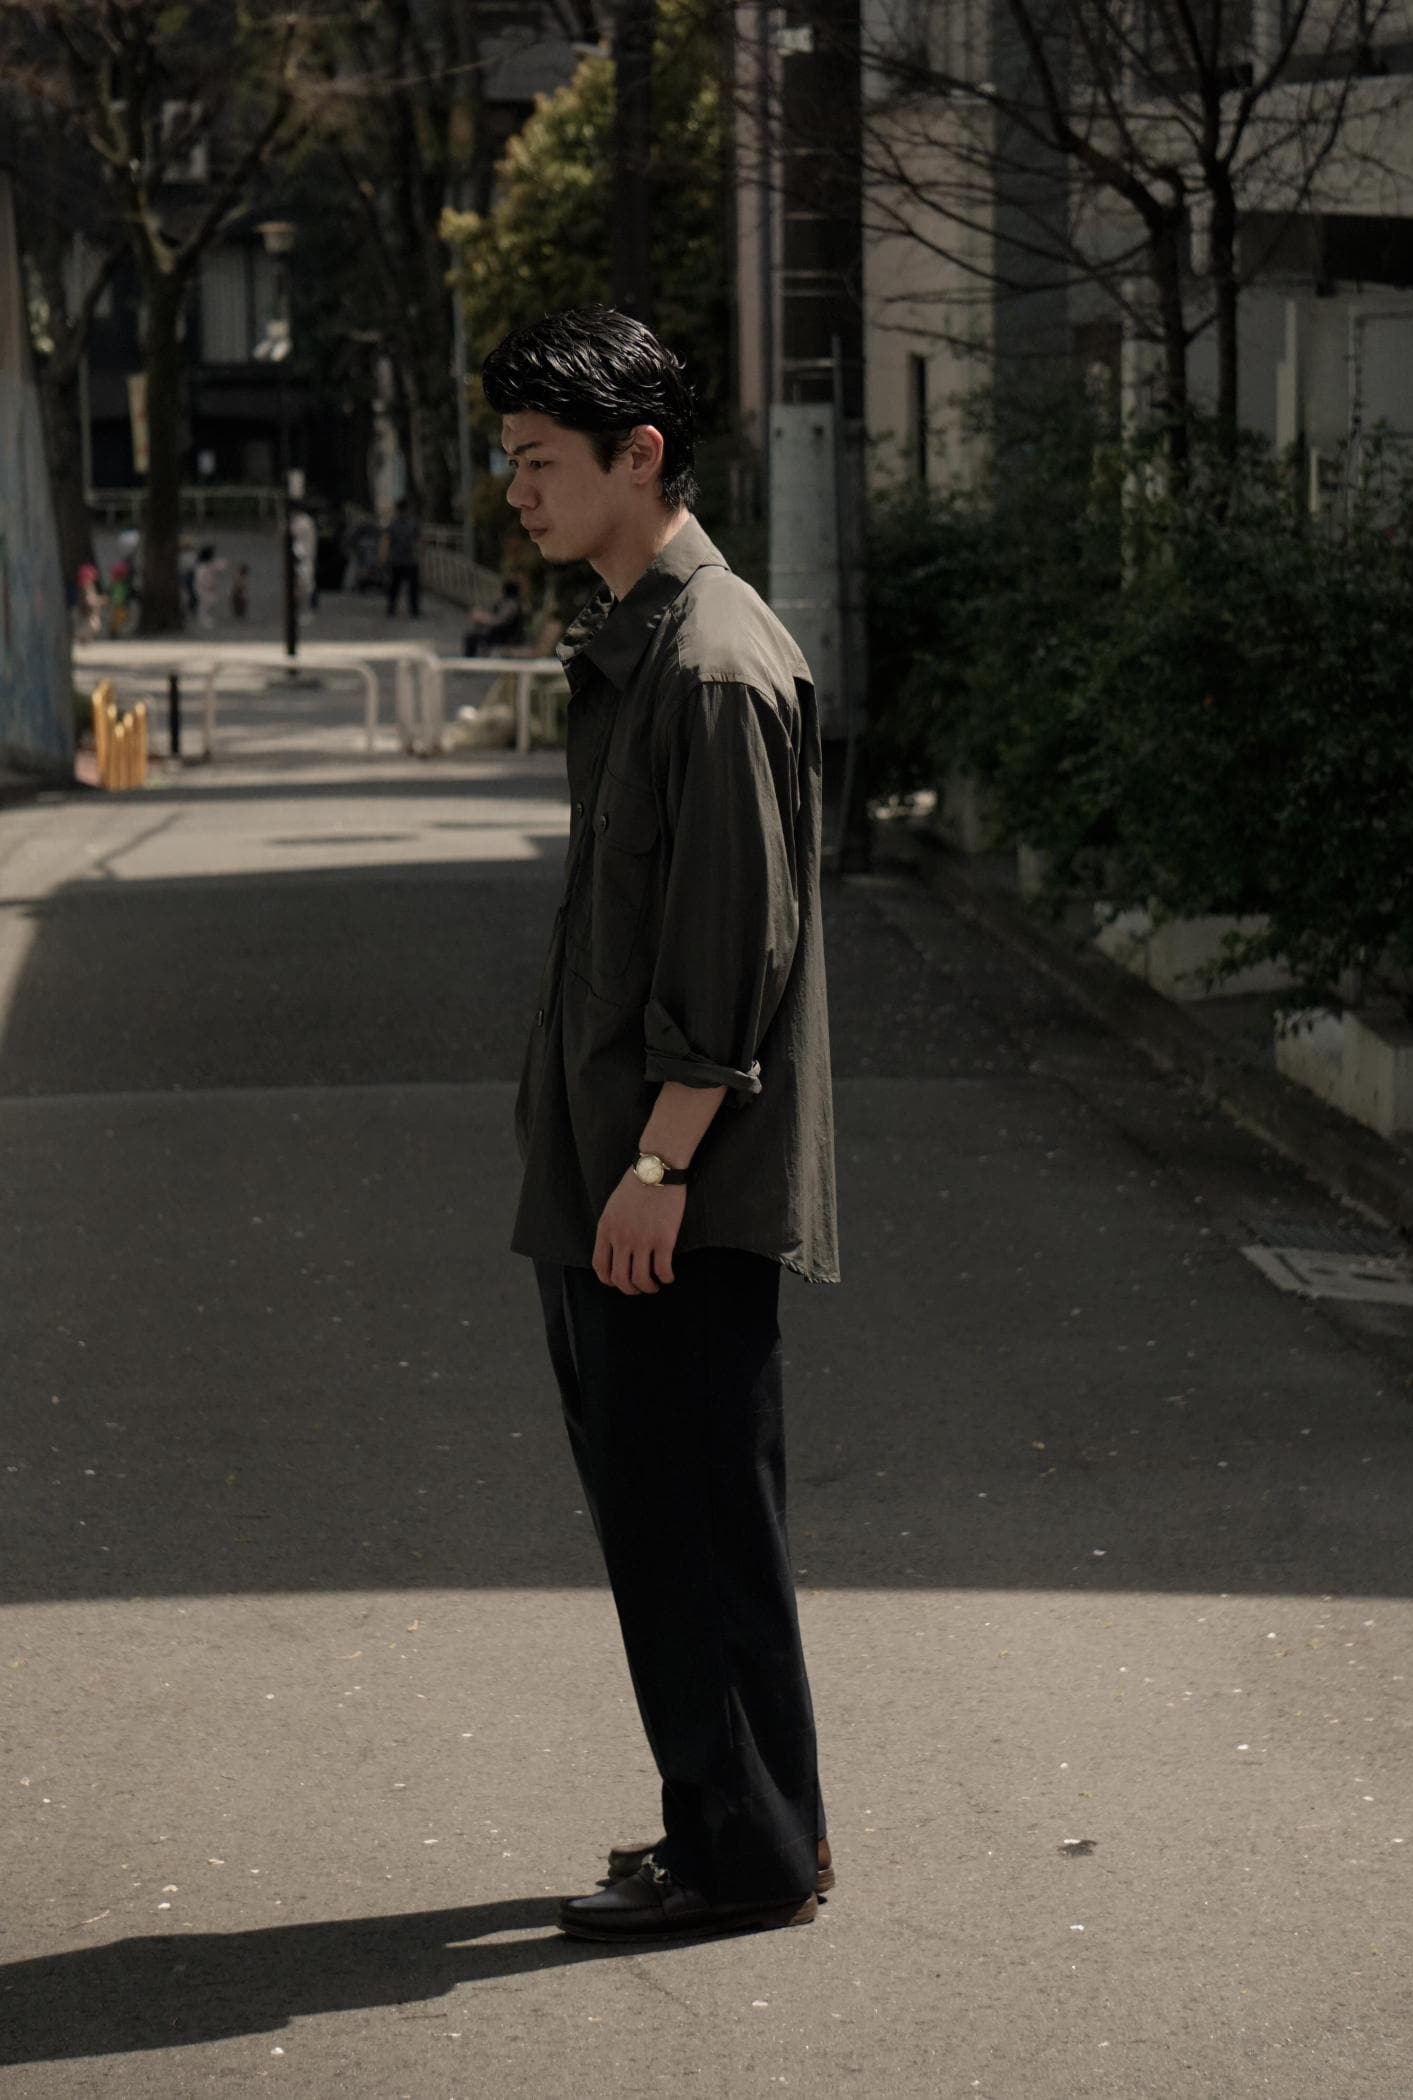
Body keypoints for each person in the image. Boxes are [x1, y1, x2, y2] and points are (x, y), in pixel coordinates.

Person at [481, 307, 837, 1946]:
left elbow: (729, 957)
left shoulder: (710, 666)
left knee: (692, 1518)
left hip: (667, 1189)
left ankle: (744, 1854)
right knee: (675, 1513)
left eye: (540, 461)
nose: (517, 492)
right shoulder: (649, 642)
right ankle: (737, 1824)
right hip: (626, 1177)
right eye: (509, 460)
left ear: (640, 457)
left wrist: (654, 1165)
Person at [462, 577, 527, 657]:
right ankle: (476, 656)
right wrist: (481, 615)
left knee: (472, 638)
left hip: (505, 635)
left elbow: (500, 620)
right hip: (499, 632)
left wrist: (484, 618)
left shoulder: (511, 604)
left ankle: (470, 660)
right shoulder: (506, 602)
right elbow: (492, 612)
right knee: (474, 634)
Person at [384, 497, 421, 617]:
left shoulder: (394, 524)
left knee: (396, 586)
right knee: (401, 586)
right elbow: (418, 541)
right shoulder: (411, 523)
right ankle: (412, 610)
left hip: (400, 559)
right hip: (406, 560)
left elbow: (386, 541)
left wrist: (384, 558)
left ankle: (394, 608)